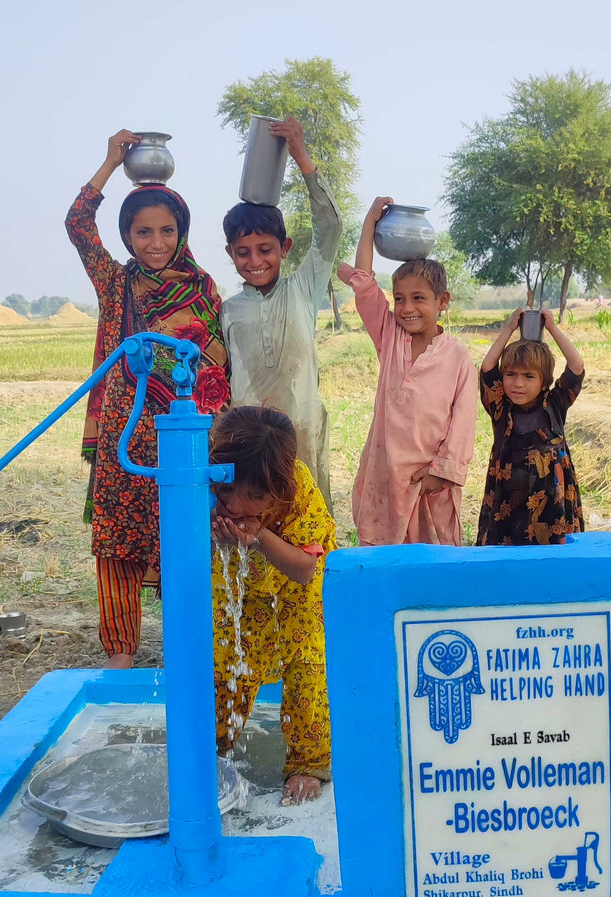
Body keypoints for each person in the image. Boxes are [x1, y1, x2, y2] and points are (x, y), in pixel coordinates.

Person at [66, 130, 230, 669]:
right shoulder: (116, 285)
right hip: (122, 438)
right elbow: (77, 226)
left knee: (181, 541)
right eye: (142, 232)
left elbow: (215, 367)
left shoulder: (202, 289)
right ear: (128, 235)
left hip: (179, 438)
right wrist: (112, 161)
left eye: (166, 230)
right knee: (117, 548)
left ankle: (187, 655)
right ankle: (119, 656)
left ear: (181, 232)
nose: (155, 242)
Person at [210, 406, 336, 805]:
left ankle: (307, 763)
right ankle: (211, 746)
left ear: (279, 488)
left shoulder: (299, 491)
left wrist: (260, 536)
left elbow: (303, 569)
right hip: (239, 589)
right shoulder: (204, 483)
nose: (237, 505)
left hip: (296, 593)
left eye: (255, 496)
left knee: (306, 671)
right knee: (222, 662)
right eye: (228, 489)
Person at [337, 196, 477, 545]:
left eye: (419, 298)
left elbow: (464, 423)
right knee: (384, 560)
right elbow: (364, 282)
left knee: (432, 566)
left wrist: (439, 473)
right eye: (399, 298)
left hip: (430, 484)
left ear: (442, 302)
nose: (407, 308)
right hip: (385, 476)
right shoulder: (390, 338)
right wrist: (370, 221)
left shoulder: (458, 357)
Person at [220, 116, 341, 512]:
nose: (255, 261)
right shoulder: (228, 310)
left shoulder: (303, 288)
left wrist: (300, 155)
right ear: (230, 254)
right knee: (253, 516)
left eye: (265, 249)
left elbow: (330, 228)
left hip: (301, 430)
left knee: (305, 515)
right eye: (243, 252)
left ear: (285, 247)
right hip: (247, 438)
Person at [477, 307, 585, 545]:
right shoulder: (500, 408)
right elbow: (487, 368)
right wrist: (509, 329)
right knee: (506, 561)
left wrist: (553, 329)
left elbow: (576, 366)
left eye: (529, 376)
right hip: (507, 507)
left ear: (544, 381)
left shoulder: (554, 404)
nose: (518, 384)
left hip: (551, 507)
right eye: (510, 375)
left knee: (551, 561)